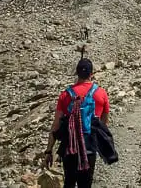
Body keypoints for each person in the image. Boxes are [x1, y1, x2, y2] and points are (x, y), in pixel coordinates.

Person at [44, 59, 110, 188]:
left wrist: (49, 150)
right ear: (92, 73)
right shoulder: (101, 94)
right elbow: (104, 123)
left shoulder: (65, 95)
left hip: (70, 147)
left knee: (69, 182)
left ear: (77, 73)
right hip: (89, 148)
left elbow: (56, 124)